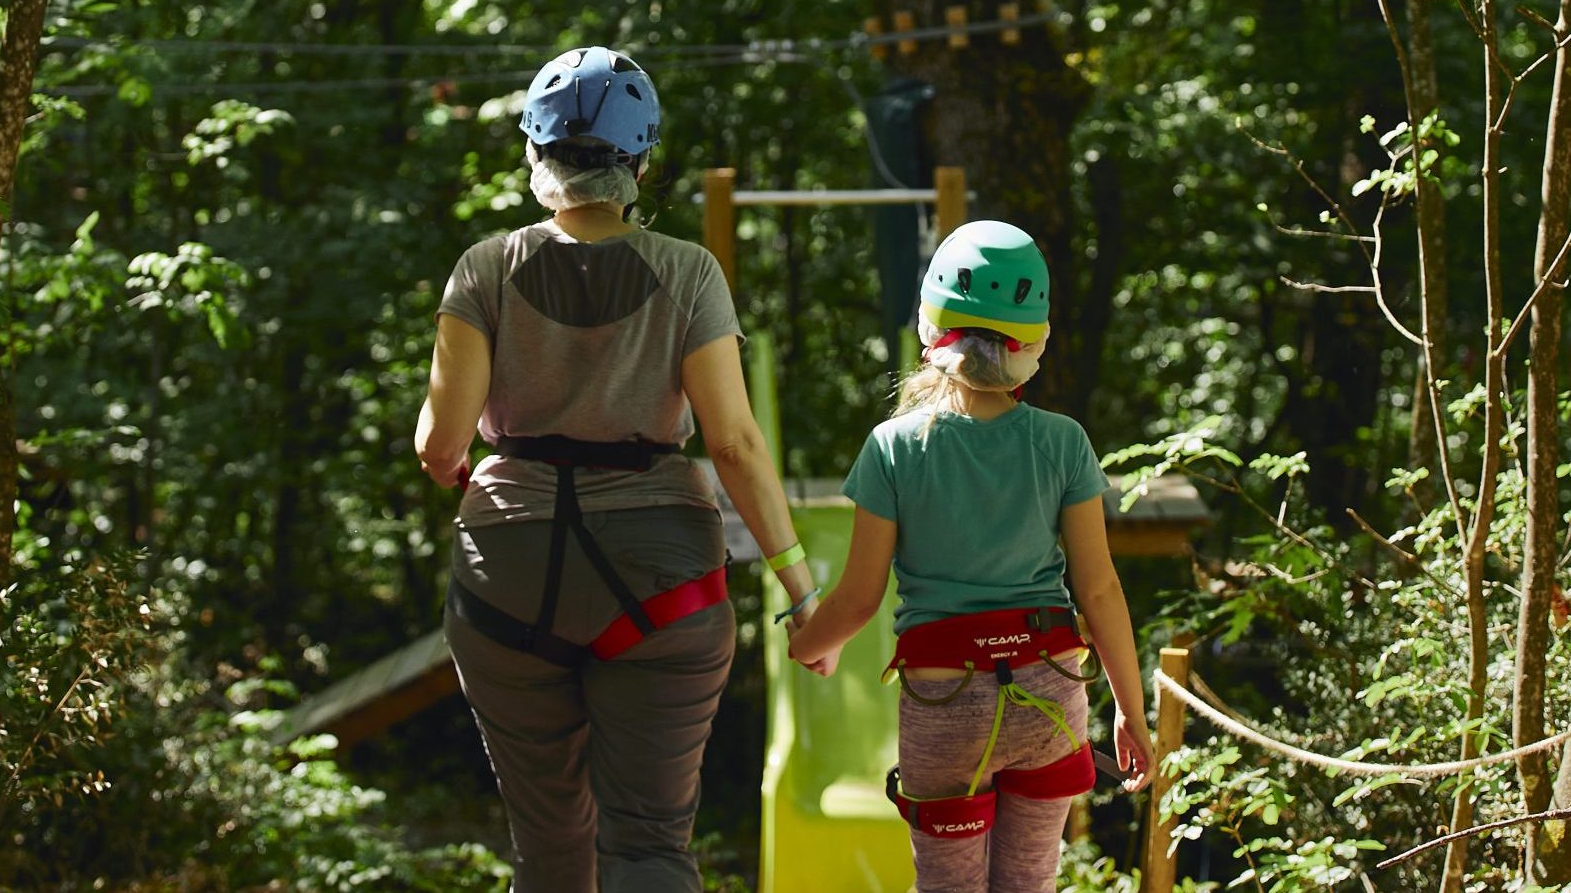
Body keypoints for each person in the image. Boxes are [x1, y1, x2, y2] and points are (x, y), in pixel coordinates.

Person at [414, 45, 835, 893]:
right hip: (662, 584)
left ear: (535, 154)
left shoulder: (484, 270)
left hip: (509, 579)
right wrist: (800, 589)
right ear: (640, 162)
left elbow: (439, 446)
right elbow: (733, 446)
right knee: (648, 847)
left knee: (551, 852)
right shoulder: (687, 273)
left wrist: (457, 453)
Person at [787, 220, 1154, 893]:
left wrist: (808, 641)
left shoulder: (894, 447)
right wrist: (1130, 708)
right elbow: (1098, 590)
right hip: (1049, 691)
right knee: (1029, 885)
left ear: (931, 327)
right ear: (1033, 341)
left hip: (943, 700)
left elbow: (858, 599)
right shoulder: (1062, 442)